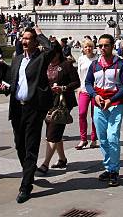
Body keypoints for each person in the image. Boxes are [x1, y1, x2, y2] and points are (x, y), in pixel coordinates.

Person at [5, 26, 55, 204]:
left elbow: (52, 48)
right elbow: (15, 82)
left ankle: (26, 186)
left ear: (34, 42)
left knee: (31, 147)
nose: (24, 41)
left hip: (34, 108)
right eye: (23, 38)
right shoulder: (17, 59)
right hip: (17, 108)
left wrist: (40, 34)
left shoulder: (41, 58)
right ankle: (28, 171)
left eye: (28, 38)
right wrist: (7, 88)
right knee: (19, 146)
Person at [85, 33, 123, 187]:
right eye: (100, 45)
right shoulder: (94, 65)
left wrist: (111, 100)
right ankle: (108, 167)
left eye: (106, 45)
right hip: (98, 104)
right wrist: (94, 95)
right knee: (102, 138)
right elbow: (88, 83)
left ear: (112, 46)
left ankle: (114, 171)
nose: (102, 48)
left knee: (113, 137)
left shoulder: (120, 64)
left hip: (115, 104)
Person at [36, 42, 80, 175]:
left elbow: (76, 82)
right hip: (48, 101)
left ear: (56, 53)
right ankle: (62, 159)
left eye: (50, 52)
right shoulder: (45, 64)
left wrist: (64, 88)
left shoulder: (66, 64)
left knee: (52, 133)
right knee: (55, 131)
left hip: (63, 103)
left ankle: (45, 164)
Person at [75, 38, 99, 150]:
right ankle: (83, 139)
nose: (88, 48)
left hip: (95, 90)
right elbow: (79, 73)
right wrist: (79, 86)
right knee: (82, 113)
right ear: (83, 49)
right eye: (86, 47)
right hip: (84, 89)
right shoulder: (81, 59)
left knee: (95, 115)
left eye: (90, 46)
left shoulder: (98, 59)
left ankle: (94, 138)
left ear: (93, 47)